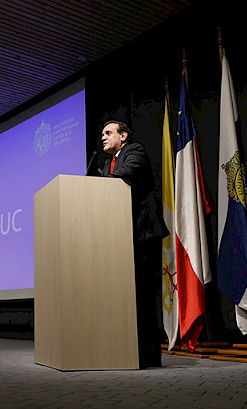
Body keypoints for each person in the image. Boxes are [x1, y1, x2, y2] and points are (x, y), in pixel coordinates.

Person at [100, 120, 169, 368]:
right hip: (123, 237)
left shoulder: (134, 151)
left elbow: (127, 173)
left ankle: (149, 355)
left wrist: (100, 182)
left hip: (144, 234)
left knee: (145, 297)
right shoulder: (107, 164)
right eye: (102, 134)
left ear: (123, 136)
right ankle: (129, 350)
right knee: (127, 297)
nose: (103, 137)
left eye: (108, 133)